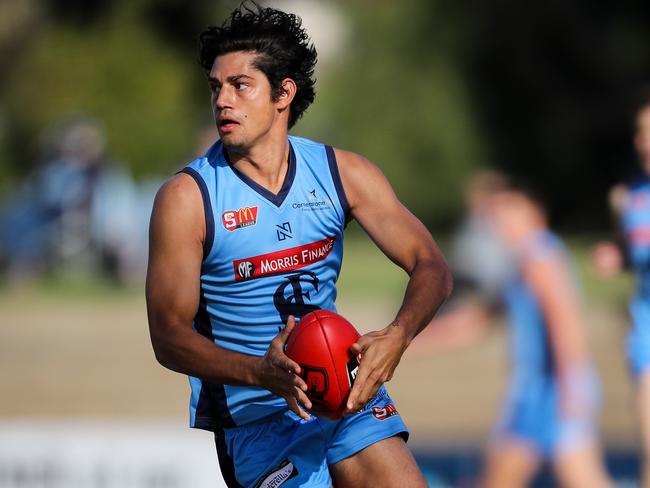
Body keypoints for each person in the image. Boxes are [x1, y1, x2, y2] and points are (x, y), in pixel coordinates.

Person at [145, 4, 451, 487]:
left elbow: (431, 264)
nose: (223, 100)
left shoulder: (342, 173)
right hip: (258, 422)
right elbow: (168, 336)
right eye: (215, 87)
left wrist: (399, 334)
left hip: (346, 399)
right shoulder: (187, 200)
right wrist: (259, 372)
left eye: (240, 85)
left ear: (283, 92)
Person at [483, 186, 612, 488]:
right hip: (537, 390)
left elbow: (564, 320)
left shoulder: (539, 256)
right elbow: (482, 318)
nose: (501, 224)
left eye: (508, 214)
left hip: (553, 390)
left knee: (583, 479)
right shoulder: (525, 261)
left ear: (536, 214)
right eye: (496, 218)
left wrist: (571, 383)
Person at [592, 89, 650, 487]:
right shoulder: (626, 197)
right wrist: (618, 257)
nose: (642, 140)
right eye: (640, 131)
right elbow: (631, 253)